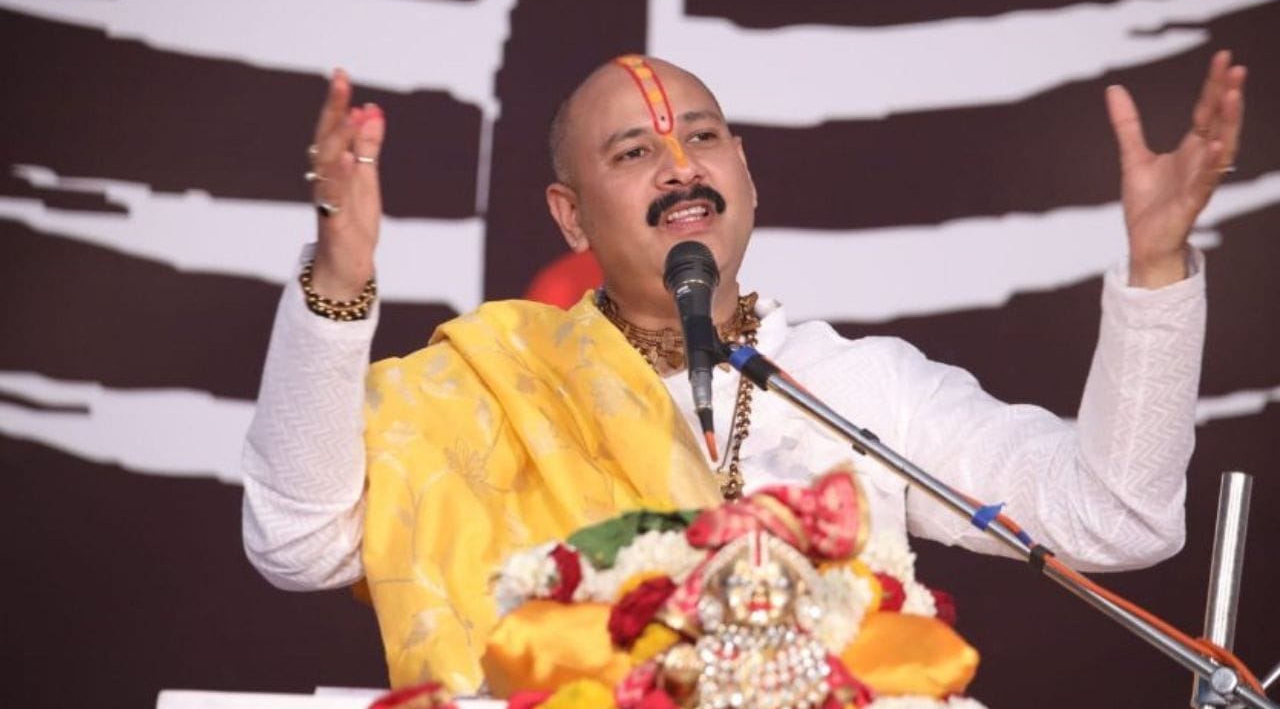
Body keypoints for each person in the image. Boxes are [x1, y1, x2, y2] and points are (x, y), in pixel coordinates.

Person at [241, 53, 1246, 692]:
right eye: (633, 152)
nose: (680, 166)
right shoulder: (499, 385)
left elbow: (1116, 520)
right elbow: (297, 543)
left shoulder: (856, 386)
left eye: (703, 137)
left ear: (746, 174)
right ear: (570, 217)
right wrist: (339, 284)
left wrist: (1156, 269)